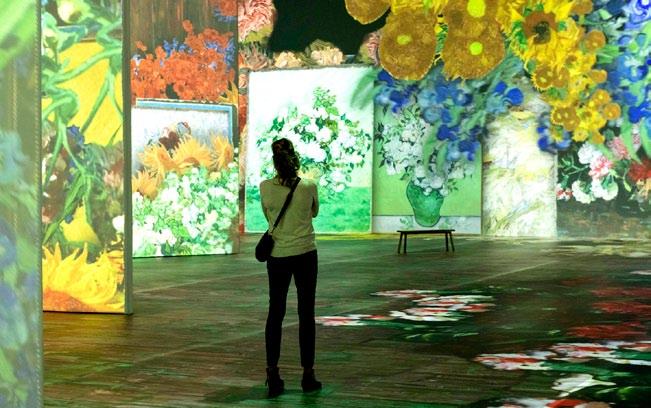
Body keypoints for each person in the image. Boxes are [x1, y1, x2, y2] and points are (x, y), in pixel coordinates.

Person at [259, 138, 322, 397]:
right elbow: (314, 213)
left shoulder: (265, 187)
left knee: (276, 313)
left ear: (275, 162)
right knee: (306, 313)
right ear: (295, 159)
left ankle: (273, 374)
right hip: (306, 253)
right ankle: (308, 374)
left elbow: (268, 216)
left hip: (278, 256)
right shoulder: (308, 186)